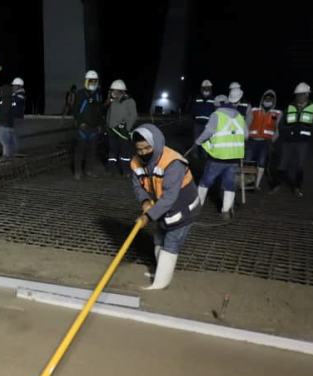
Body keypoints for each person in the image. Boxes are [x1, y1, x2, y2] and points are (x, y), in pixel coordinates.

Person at [131, 124, 201, 290]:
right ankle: (161, 272)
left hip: (183, 209)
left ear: (156, 144)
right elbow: (137, 185)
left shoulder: (172, 163)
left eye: (147, 148)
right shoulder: (136, 162)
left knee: (171, 243)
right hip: (162, 210)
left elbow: (170, 197)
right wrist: (145, 202)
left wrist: (147, 216)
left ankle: (161, 283)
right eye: (139, 149)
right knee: (159, 239)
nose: (143, 153)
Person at [195, 90, 246, 219]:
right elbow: (246, 135)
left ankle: (197, 207)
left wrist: (198, 141)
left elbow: (208, 132)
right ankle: (225, 212)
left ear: (217, 105)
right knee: (229, 184)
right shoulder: (239, 116)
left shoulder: (216, 115)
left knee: (205, 181)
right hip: (234, 158)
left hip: (217, 157)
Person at [275, 82, 313, 197]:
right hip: (288, 141)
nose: (300, 97)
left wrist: (312, 137)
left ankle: (297, 188)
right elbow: (281, 124)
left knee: (300, 165)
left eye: (302, 94)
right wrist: (286, 133)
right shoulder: (289, 107)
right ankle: (277, 185)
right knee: (282, 164)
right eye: (298, 94)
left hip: (303, 142)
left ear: (307, 95)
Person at [245, 90, 282, 190]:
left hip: (266, 142)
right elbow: (247, 123)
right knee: (248, 161)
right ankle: (247, 184)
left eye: (270, 98)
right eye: (266, 98)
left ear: (274, 100)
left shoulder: (277, 113)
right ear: (263, 98)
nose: (268, 100)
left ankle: (256, 185)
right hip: (252, 140)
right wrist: (246, 136)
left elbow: (278, 129)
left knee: (261, 163)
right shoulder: (254, 110)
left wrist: (272, 140)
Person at [73, 70, 104, 179]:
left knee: (92, 152)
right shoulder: (80, 93)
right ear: (87, 81)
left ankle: (89, 171)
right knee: (80, 151)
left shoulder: (98, 94)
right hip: (83, 128)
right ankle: (78, 172)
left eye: (95, 81)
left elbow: (100, 110)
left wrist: (100, 124)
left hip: (94, 128)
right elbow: (76, 110)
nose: (93, 82)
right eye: (91, 80)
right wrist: (80, 123)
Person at [105, 79, 137, 175]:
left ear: (121, 91)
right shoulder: (112, 101)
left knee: (125, 152)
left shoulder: (129, 101)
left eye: (115, 90)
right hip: (112, 130)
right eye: (112, 90)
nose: (113, 92)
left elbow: (133, 115)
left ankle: (126, 170)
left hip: (123, 131)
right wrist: (107, 126)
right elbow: (108, 114)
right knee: (112, 151)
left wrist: (127, 128)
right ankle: (111, 169)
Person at [190, 80, 216, 159]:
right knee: (196, 139)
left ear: (210, 88)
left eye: (208, 87)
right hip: (197, 123)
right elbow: (193, 109)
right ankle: (195, 156)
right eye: (205, 87)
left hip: (208, 124)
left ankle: (204, 156)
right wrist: (194, 117)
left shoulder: (213, 99)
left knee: (206, 140)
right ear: (202, 88)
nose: (206, 89)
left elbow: (215, 111)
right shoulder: (197, 97)